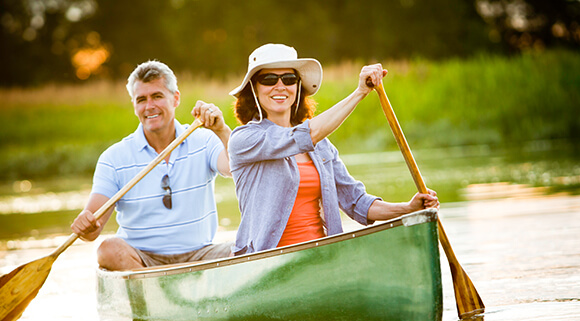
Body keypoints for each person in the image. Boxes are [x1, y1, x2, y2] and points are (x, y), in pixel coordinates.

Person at [228, 43, 439, 255]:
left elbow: (357, 202)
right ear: (254, 88)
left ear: (298, 86)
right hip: (268, 261)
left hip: (323, 256)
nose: (280, 86)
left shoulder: (321, 146)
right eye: (269, 79)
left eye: (289, 79)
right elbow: (304, 136)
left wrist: (409, 208)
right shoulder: (245, 139)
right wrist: (359, 92)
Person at [71, 60, 233, 270]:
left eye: (157, 96)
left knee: (247, 246)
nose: (149, 106)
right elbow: (93, 230)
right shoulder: (113, 158)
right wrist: (85, 223)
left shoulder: (204, 140)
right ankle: (157, 295)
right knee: (107, 250)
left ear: (175, 99)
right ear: (134, 105)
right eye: (141, 99)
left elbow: (234, 168)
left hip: (201, 255)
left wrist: (222, 131)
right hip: (142, 261)